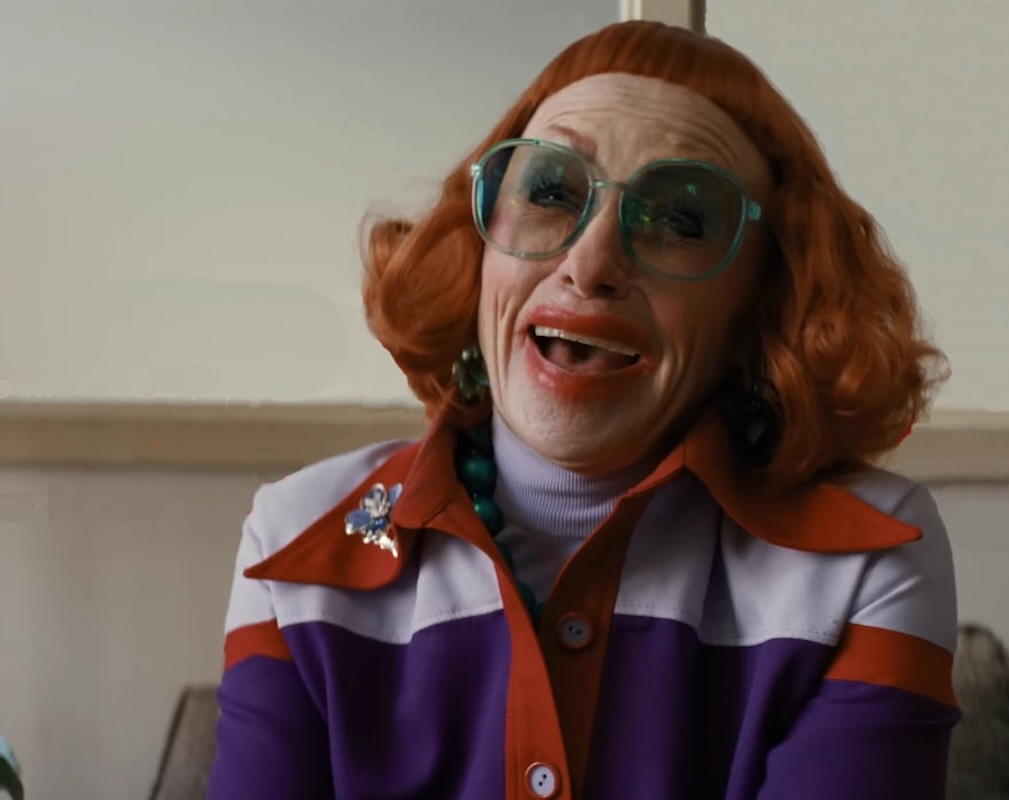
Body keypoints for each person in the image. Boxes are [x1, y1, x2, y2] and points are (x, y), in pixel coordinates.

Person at [209, 20, 958, 800]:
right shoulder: (295, 543)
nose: (590, 262)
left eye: (680, 220)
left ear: (764, 307)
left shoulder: (864, 559)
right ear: (479, 248)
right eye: (550, 192)